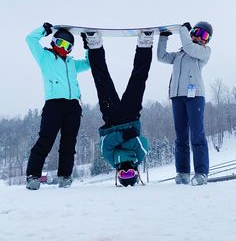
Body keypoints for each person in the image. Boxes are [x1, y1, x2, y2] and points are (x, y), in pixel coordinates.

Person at [81, 30, 154, 186]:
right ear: (137, 172)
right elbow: (142, 143)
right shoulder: (139, 157)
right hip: (131, 116)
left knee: (102, 80)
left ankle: (95, 46)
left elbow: (105, 143)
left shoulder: (111, 160)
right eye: (130, 173)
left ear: (117, 174)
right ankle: (145, 45)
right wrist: (122, 140)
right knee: (138, 79)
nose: (126, 170)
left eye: (123, 174)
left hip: (111, 118)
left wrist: (123, 137)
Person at [25, 23, 90, 190]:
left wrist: (88, 44)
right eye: (60, 43)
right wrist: (44, 30)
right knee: (46, 140)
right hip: (54, 104)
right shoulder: (45, 57)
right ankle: (33, 175)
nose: (63, 48)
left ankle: (65, 176)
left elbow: (90, 63)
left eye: (67, 46)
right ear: (54, 42)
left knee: (69, 142)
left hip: (73, 106)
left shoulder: (72, 63)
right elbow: (30, 39)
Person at [157, 21, 213, 185]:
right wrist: (163, 37)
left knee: (197, 134)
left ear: (207, 40)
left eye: (204, 35)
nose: (199, 37)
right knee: (181, 136)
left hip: (195, 96)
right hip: (177, 97)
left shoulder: (203, 52)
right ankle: (182, 173)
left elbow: (189, 47)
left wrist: (183, 30)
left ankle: (201, 173)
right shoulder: (180, 54)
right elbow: (162, 57)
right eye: (197, 32)